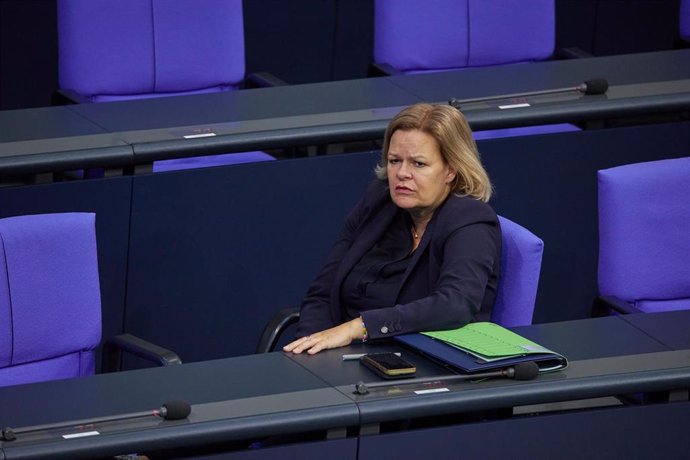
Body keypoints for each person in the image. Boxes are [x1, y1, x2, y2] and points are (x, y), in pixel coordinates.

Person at [284, 103, 501, 355]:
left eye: (418, 164)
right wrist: (309, 347)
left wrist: (360, 327)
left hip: (418, 365)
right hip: (344, 358)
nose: (402, 174)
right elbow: (323, 292)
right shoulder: (379, 201)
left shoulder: (470, 220)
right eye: (394, 161)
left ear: (451, 170)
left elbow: (455, 305)